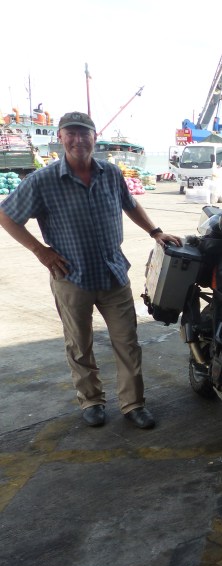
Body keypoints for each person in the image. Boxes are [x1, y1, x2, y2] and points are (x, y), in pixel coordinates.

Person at [0, 111, 181, 430]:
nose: (78, 139)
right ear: (60, 138)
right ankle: (92, 401)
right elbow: (7, 215)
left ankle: (133, 404)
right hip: (71, 276)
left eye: (84, 133)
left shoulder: (110, 173)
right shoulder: (43, 181)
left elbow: (129, 203)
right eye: (70, 133)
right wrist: (40, 251)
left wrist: (155, 231)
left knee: (127, 342)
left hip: (112, 273)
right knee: (79, 343)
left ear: (94, 138)